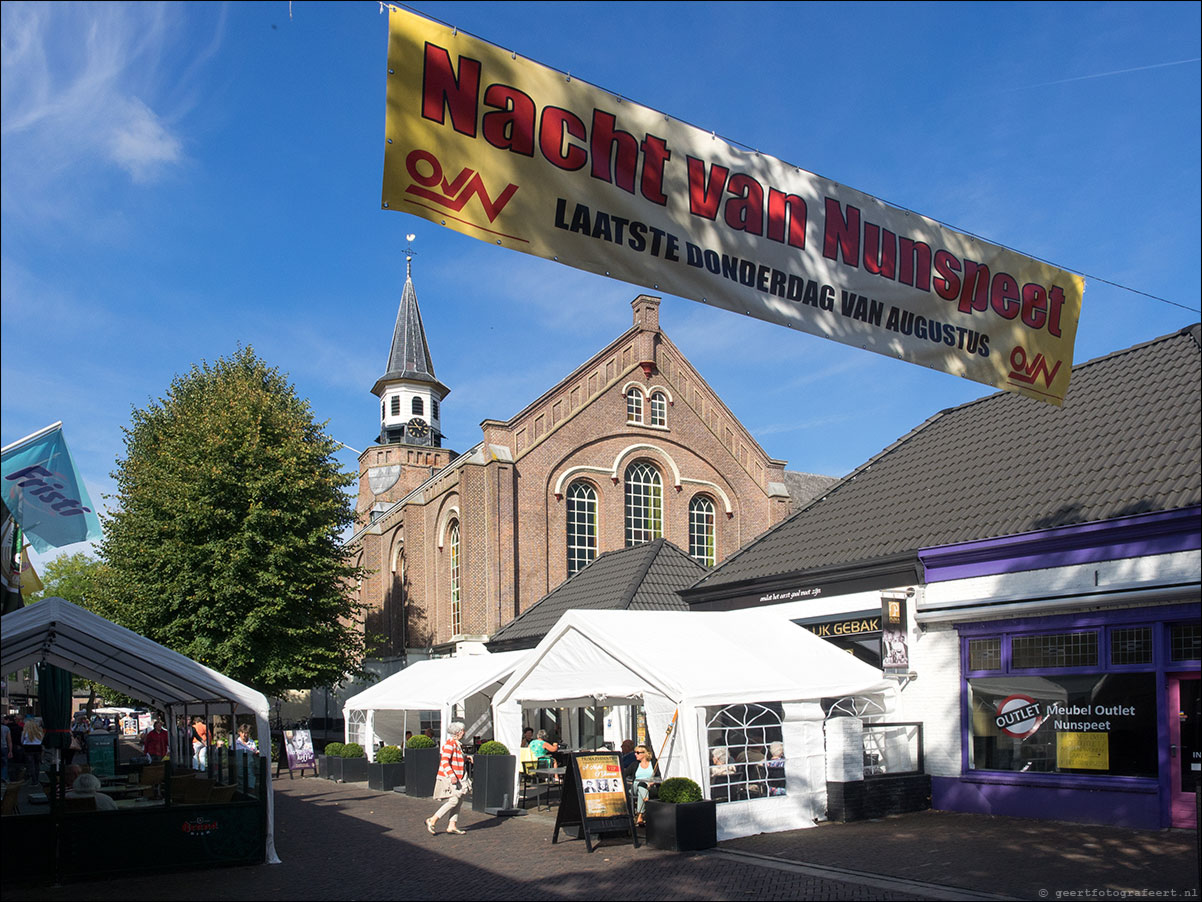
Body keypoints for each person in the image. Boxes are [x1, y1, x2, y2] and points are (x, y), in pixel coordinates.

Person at [425, 721, 473, 836]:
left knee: (459, 800)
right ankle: (432, 820)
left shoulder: (456, 744)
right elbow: (445, 761)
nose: (464, 733)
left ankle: (452, 825)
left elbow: (456, 758)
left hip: (458, 776)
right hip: (451, 777)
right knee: (454, 800)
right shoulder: (450, 744)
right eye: (462, 731)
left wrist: (466, 758)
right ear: (457, 732)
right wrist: (451, 775)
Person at [631, 744, 659, 827]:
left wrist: (653, 782)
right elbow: (624, 774)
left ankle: (640, 816)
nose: (635, 754)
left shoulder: (654, 764)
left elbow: (659, 776)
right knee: (641, 784)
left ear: (645, 754)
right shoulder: (634, 764)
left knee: (641, 791)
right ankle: (647, 802)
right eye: (635, 752)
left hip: (649, 787)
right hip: (636, 786)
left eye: (638, 752)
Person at [22, 715, 44, 787]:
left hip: (28, 748)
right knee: (37, 764)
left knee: (31, 765)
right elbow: (42, 741)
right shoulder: (39, 732)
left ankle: (33, 780)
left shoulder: (25, 732)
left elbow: (22, 741)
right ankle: (36, 779)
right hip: (37, 748)